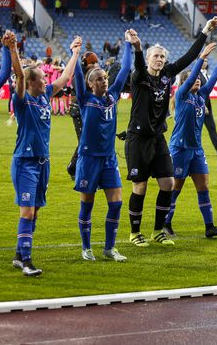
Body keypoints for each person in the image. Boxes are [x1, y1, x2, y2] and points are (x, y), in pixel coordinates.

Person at [125, 16, 217, 248]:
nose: (159, 59)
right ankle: (135, 232)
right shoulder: (139, 76)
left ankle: (158, 230)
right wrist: (137, 48)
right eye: (155, 56)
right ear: (148, 59)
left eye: (162, 56)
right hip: (138, 139)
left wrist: (205, 30)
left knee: (167, 183)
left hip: (158, 138)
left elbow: (188, 57)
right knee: (141, 186)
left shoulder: (167, 74)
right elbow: (137, 64)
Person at [10, 35, 82, 276]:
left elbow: (65, 78)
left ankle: (20, 255)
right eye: (41, 78)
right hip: (25, 162)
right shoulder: (22, 100)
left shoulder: (44, 96)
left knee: (36, 211)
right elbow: (19, 75)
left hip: (43, 163)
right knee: (27, 211)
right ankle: (27, 261)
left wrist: (75, 54)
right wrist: (12, 49)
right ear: (30, 82)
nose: (46, 80)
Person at [73, 30, 135, 262]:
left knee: (116, 203)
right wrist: (76, 53)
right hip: (89, 159)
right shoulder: (85, 99)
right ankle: (86, 247)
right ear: (91, 84)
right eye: (99, 78)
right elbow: (77, 75)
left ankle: (109, 248)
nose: (104, 80)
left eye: (105, 78)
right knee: (87, 205)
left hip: (109, 158)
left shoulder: (113, 96)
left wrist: (128, 44)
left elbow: (126, 69)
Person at [163, 41, 217, 239]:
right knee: (177, 188)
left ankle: (209, 227)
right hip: (179, 150)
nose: (198, 80)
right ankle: (166, 223)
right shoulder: (182, 96)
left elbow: (215, 76)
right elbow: (192, 75)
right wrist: (201, 58)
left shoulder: (201, 97)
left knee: (204, 187)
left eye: (200, 78)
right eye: (194, 78)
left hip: (196, 150)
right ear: (185, 82)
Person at [66, 51, 100, 180]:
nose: (95, 65)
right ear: (85, 64)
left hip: (87, 111)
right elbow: (83, 92)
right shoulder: (78, 77)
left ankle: (78, 168)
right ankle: (73, 168)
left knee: (87, 140)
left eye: (96, 62)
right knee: (83, 141)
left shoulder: (92, 75)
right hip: (78, 111)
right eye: (92, 63)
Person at [199, 57, 217, 156]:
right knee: (196, 129)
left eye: (206, 61)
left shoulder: (205, 74)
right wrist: (202, 105)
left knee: (212, 127)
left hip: (207, 106)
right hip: (199, 106)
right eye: (203, 61)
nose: (205, 63)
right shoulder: (196, 75)